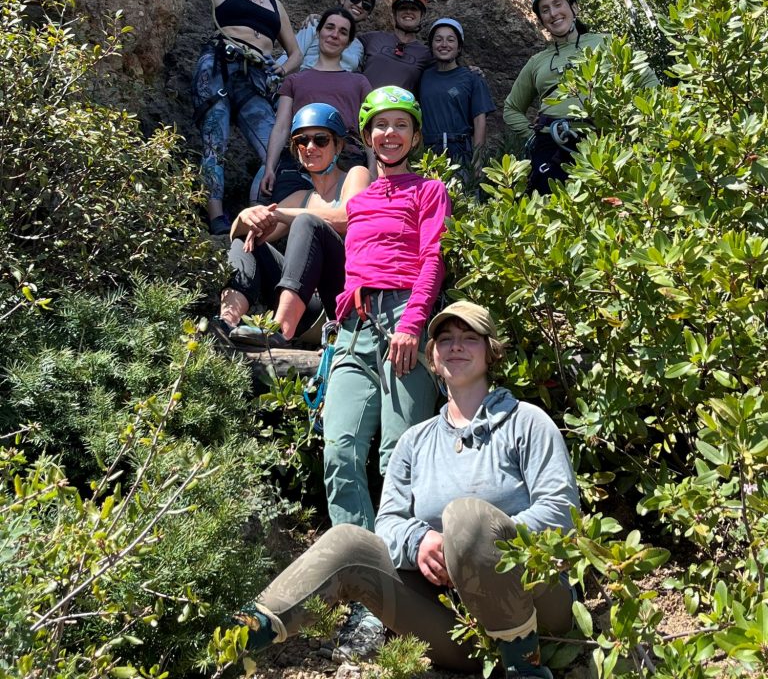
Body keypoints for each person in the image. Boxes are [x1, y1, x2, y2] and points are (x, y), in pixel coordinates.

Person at [232, 300, 580, 679]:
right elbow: (390, 525)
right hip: (463, 636)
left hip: (539, 620)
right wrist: (421, 543)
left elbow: (561, 513)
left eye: (469, 338)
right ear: (431, 356)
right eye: (445, 339)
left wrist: (467, 547)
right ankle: (233, 638)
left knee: (466, 517)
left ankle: (524, 669)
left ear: (490, 351)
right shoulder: (414, 442)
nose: (456, 346)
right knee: (349, 541)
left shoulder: (526, 422)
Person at [313, 85, 450, 656]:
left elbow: (432, 257)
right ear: (366, 136)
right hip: (354, 326)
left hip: (403, 325)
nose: (388, 134)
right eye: (378, 126)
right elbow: (326, 230)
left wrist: (414, 324)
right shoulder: (361, 201)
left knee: (399, 457)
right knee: (340, 447)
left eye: (400, 126)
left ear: (414, 136)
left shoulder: (429, 189)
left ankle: (402, 594)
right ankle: (368, 588)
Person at [188, 0, 302, 234]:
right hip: (221, 66)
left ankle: (266, 212)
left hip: (256, 80)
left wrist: (280, 70)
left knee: (276, 144)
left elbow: (296, 52)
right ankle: (217, 217)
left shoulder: (275, 7)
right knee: (214, 139)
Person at [209, 103, 369, 349]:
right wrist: (246, 217)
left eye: (321, 140)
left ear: (338, 144)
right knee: (248, 240)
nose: (310, 147)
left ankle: (280, 329)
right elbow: (239, 234)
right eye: (302, 141)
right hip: (308, 306)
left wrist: (282, 213)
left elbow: (346, 218)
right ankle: (226, 323)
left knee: (307, 222)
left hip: (338, 297)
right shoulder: (301, 197)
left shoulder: (356, 176)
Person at [503, 0, 658, 195]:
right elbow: (511, 108)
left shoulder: (606, 42)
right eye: (545, 10)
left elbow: (648, 81)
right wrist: (532, 135)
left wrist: (641, 122)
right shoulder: (537, 62)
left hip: (603, 137)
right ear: (541, 19)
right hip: (551, 145)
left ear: (574, 7)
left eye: (558, 4)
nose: (553, 13)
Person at [261, 7, 373, 199]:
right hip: (300, 159)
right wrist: (269, 167)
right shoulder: (294, 80)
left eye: (343, 32)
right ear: (319, 32)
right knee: (281, 214)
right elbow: (281, 127)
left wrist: (372, 170)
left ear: (348, 43)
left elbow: (369, 131)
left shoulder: (359, 82)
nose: (334, 35)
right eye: (330, 28)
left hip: (346, 160)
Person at [419, 17, 496, 178]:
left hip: (461, 153)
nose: (444, 44)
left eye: (451, 40)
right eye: (438, 39)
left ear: (459, 47)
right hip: (428, 154)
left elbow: (479, 120)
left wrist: (477, 160)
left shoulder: (472, 77)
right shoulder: (422, 77)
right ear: (431, 45)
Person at [282, 0, 378, 72]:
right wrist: (275, 77)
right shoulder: (314, 24)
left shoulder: (359, 47)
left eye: (366, 5)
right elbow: (290, 56)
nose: (359, 5)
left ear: (368, 14)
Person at [360, 0, 433, 92]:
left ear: (422, 15)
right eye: (403, 8)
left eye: (414, 8)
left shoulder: (426, 55)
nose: (408, 11)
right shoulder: (372, 38)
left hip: (398, 108)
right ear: (394, 13)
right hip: (364, 106)